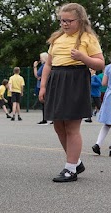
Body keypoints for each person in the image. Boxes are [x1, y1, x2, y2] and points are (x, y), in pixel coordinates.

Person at [39, 3, 104, 182]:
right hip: (56, 80)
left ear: (80, 20)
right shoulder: (57, 38)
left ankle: (70, 169)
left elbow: (100, 64)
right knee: (58, 125)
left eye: (69, 21)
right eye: (62, 21)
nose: (65, 24)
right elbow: (49, 65)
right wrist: (43, 86)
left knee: (72, 127)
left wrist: (83, 57)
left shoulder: (88, 38)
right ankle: (76, 162)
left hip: (76, 79)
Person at [92, 64, 111, 156]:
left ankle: (97, 144)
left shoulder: (108, 67)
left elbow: (104, 83)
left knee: (107, 124)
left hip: (109, 96)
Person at [33, 52, 49, 125]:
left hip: (42, 85)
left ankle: (45, 118)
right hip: (47, 85)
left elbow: (37, 75)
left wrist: (35, 67)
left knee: (43, 103)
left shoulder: (44, 66)